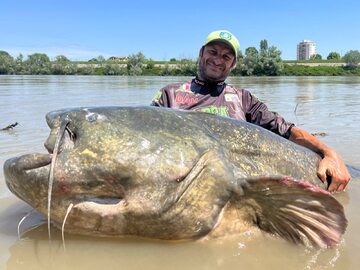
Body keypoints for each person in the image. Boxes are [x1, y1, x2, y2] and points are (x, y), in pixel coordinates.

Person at [151, 29, 350, 192]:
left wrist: (329, 152)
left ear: (233, 64)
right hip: (182, 185)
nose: (218, 59)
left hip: (235, 188)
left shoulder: (243, 99)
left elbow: (286, 131)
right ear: (201, 53)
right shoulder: (169, 94)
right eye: (213, 52)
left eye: (226, 56)